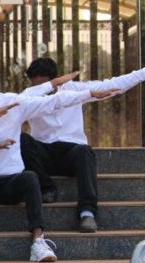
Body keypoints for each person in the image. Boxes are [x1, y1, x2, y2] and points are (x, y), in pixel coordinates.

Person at [0, 77, 118, 262]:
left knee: (30, 178)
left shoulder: (11, 103)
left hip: (10, 182)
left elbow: (53, 101)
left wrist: (88, 93)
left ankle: (38, 242)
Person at [20, 58, 145, 233]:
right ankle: (46, 188)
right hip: (44, 155)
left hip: (71, 154)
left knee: (84, 151)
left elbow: (114, 85)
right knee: (22, 140)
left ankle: (87, 213)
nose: (43, 90)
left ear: (57, 79)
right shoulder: (29, 96)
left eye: (46, 85)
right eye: (37, 86)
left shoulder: (74, 89)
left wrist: (143, 73)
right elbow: (11, 109)